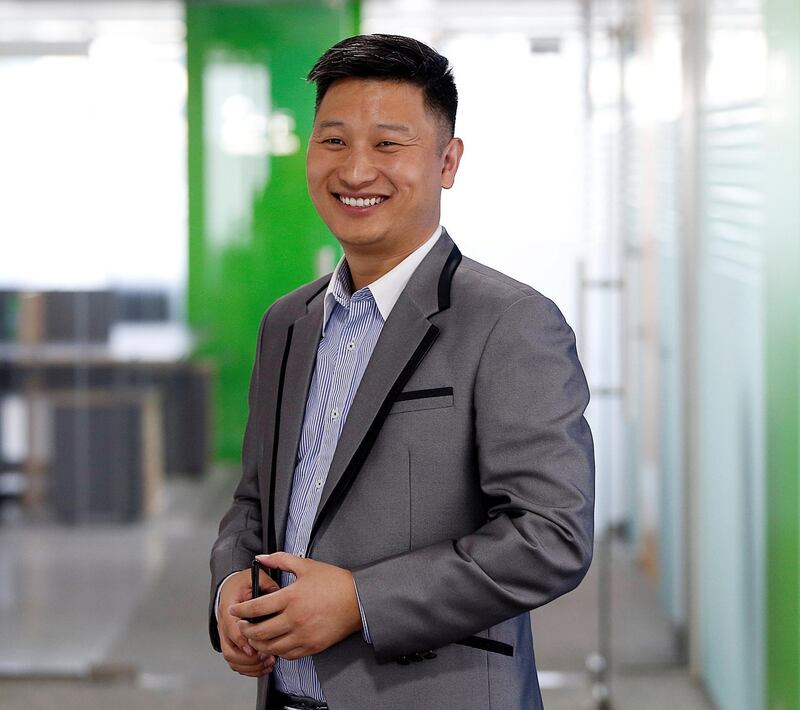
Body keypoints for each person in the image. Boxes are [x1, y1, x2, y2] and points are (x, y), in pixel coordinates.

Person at [208, 33, 595, 710]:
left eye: (389, 144)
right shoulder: (287, 324)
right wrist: (231, 582)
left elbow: (551, 535)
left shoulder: (509, 322)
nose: (357, 170)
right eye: (333, 141)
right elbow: (254, 501)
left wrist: (361, 601)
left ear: (448, 162)